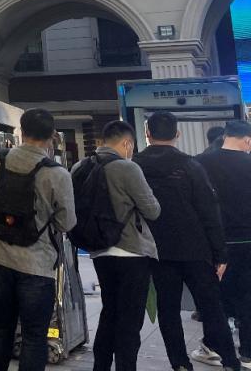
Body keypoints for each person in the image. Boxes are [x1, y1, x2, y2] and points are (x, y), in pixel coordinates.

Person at [134, 110, 240, 371]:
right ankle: (230, 362)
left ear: (147, 134)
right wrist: (220, 254)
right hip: (195, 248)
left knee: (168, 309)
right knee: (211, 307)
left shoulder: (135, 166)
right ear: (177, 134)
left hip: (157, 251)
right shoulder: (191, 166)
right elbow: (209, 211)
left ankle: (180, 363)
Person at [0, 108, 75, 371]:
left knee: (1, 324)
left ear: (22, 131)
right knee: (34, 334)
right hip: (37, 264)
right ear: (51, 136)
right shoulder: (57, 173)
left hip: (0, 256)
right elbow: (67, 222)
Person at [79, 120, 160, 371]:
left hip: (99, 252)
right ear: (127, 143)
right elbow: (153, 210)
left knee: (109, 312)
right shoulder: (128, 168)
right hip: (131, 252)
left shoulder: (81, 166)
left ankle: (101, 367)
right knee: (129, 320)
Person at [197, 119, 251, 366]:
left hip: (216, 242)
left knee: (215, 297)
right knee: (248, 295)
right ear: (247, 140)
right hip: (248, 239)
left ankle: (213, 348)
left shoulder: (201, 162)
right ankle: (248, 352)